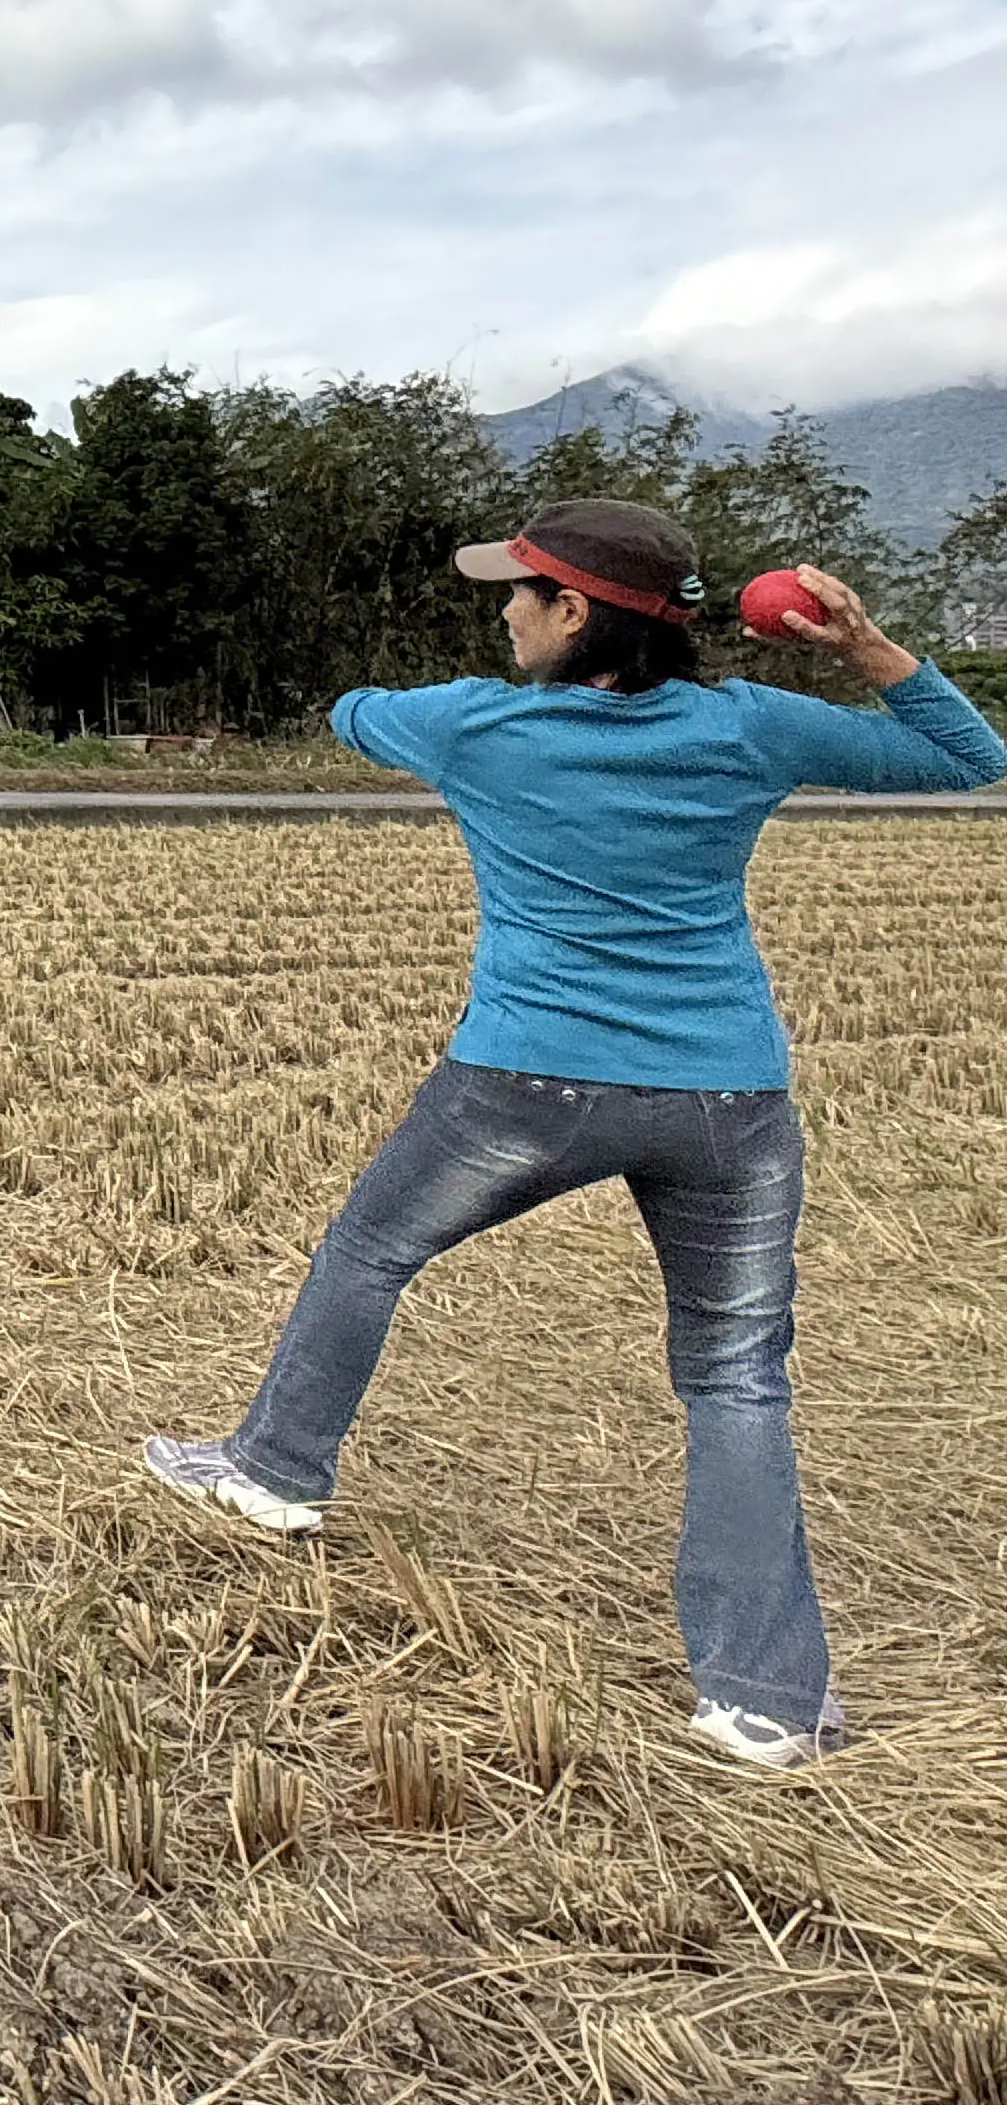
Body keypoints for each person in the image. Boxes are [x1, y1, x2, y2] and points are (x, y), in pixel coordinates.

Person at [141, 499, 1003, 1771]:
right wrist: (866, 651)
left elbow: (353, 711)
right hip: (729, 1102)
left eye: (520, 595)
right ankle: (764, 1701)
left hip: (526, 1084)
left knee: (371, 1251)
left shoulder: (478, 728)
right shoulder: (750, 727)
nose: (504, 613)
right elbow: (966, 757)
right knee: (734, 1379)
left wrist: (420, 710)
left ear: (573, 613)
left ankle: (275, 1474)